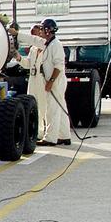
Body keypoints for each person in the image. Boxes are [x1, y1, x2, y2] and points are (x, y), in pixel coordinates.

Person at [37, 18, 72, 146]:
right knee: (60, 109)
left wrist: (51, 81)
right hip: (55, 81)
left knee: (52, 109)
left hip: (56, 82)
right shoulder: (49, 44)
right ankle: (64, 136)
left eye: (42, 29)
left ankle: (50, 138)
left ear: (47, 30)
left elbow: (59, 66)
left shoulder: (55, 45)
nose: (40, 31)